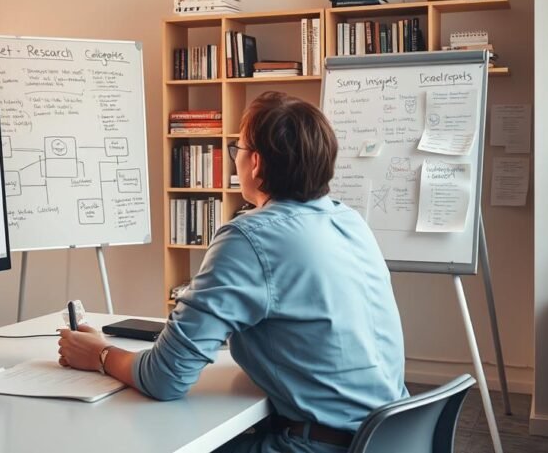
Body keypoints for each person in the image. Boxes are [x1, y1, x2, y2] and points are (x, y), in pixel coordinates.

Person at [57, 92, 408, 453]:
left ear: (255, 162)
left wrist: (99, 354)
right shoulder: (349, 220)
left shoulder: (249, 237)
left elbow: (166, 378)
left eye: (236, 147)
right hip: (390, 437)